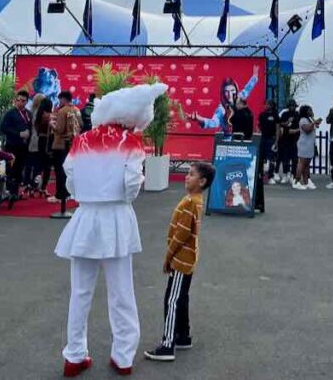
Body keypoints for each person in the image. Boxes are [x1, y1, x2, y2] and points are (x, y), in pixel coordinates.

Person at [56, 83, 166, 377]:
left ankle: (74, 354)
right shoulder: (130, 143)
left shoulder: (81, 141)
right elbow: (132, 184)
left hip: (85, 217)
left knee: (80, 292)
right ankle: (123, 356)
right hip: (116, 218)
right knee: (121, 291)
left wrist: (89, 193)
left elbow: (70, 180)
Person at [144, 161, 216, 362]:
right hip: (188, 257)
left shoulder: (190, 203)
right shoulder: (196, 200)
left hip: (181, 259)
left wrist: (168, 258)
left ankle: (168, 344)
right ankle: (183, 335)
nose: (187, 176)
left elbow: (181, 234)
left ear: (202, 181)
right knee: (181, 297)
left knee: (172, 300)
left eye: (191, 174)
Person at [49, 90, 81, 217]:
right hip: (73, 144)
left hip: (60, 144)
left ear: (63, 99)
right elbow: (81, 125)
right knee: (70, 170)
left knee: (60, 170)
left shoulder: (62, 111)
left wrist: (52, 124)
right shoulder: (77, 110)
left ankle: (60, 195)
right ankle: (69, 193)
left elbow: (59, 129)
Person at [0, 89, 32, 195]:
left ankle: (15, 192)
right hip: (12, 146)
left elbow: (32, 128)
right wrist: (18, 134)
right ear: (15, 100)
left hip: (24, 146)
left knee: (19, 169)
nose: (21, 102)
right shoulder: (10, 113)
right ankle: (8, 190)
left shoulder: (28, 114)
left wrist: (28, 134)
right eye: (19, 100)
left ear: (27, 101)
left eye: (23, 101)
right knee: (11, 169)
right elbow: (3, 128)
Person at [293, 104, 319, 191]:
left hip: (309, 145)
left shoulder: (309, 119)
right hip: (304, 144)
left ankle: (306, 181)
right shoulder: (303, 120)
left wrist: (314, 122)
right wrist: (314, 123)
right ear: (306, 111)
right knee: (302, 163)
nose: (312, 111)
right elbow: (307, 129)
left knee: (307, 164)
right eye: (310, 110)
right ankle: (296, 181)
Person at [276, 99, 300, 185]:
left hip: (294, 139)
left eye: (293, 106)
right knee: (285, 158)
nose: (292, 107)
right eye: (290, 106)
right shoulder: (285, 114)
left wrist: (296, 130)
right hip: (285, 139)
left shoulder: (297, 114)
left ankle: (293, 175)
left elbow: (299, 125)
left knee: (294, 159)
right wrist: (287, 122)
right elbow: (280, 123)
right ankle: (285, 174)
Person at [258, 100, 279, 184]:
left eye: (266, 104)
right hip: (263, 138)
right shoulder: (262, 115)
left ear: (271, 106)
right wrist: (259, 134)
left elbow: (277, 129)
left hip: (271, 139)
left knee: (271, 158)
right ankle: (260, 175)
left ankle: (270, 176)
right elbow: (258, 125)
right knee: (261, 157)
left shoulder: (275, 116)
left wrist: (276, 141)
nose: (265, 106)